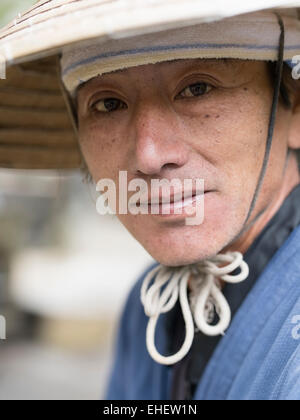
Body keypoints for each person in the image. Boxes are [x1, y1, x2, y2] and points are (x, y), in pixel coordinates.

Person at [0, 0, 300, 400]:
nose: (149, 156)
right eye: (108, 103)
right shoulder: (146, 310)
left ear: (294, 107)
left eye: (198, 87)